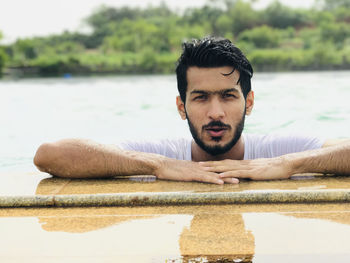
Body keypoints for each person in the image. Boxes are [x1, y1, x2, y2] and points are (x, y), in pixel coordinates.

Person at [33, 37, 350, 184]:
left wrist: (286, 164)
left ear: (248, 103)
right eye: (200, 98)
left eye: (228, 96)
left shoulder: (276, 150)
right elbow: (49, 154)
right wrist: (160, 166)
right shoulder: (163, 154)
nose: (215, 113)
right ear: (181, 107)